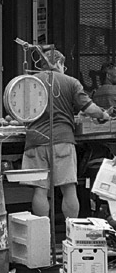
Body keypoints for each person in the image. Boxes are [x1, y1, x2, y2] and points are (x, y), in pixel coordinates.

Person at [21, 49, 110, 219]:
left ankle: (42, 233)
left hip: (35, 140)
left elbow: (20, 112)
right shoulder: (71, 82)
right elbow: (90, 109)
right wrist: (103, 115)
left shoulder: (30, 82)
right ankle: (71, 232)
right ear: (59, 63)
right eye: (64, 65)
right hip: (62, 140)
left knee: (40, 190)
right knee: (69, 188)